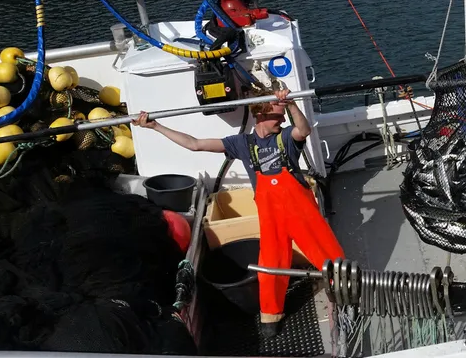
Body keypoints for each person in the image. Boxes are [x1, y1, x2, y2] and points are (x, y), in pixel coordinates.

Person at [133, 87, 344, 337]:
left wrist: (291, 104)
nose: (283, 120)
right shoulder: (242, 144)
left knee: (329, 254)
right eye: (279, 114)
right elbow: (194, 144)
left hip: (301, 213)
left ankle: (347, 293)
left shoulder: (286, 137)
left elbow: (304, 130)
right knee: (270, 267)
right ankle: (271, 315)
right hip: (271, 218)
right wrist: (156, 126)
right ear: (261, 113)